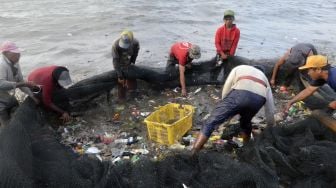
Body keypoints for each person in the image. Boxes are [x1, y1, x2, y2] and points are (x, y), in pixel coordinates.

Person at [192, 65, 275, 154]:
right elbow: (270, 107)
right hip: (258, 100)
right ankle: (246, 149)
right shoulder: (265, 79)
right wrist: (271, 126)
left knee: (210, 122)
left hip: (239, 94)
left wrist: (225, 106)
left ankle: (194, 152)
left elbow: (228, 85)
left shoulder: (240, 68)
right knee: (245, 124)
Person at [284, 55, 336, 132]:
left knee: (320, 113)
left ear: (318, 69)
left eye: (309, 70)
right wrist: (291, 102)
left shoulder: (334, 78)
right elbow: (308, 90)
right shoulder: (324, 76)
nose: (308, 73)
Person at [0, 41, 39, 126]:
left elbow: (21, 81)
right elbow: (1, 84)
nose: (19, 55)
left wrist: (32, 96)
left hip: (9, 97)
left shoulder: (16, 63)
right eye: (16, 53)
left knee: (18, 116)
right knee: (6, 125)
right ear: (6, 53)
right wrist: (23, 84)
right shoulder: (1, 64)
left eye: (18, 53)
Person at [111, 30, 140, 102]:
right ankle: (122, 98)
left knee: (132, 77)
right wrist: (120, 76)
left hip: (128, 60)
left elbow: (135, 54)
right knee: (121, 82)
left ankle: (133, 94)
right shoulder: (115, 45)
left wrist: (132, 63)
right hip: (119, 63)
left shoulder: (135, 43)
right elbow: (115, 60)